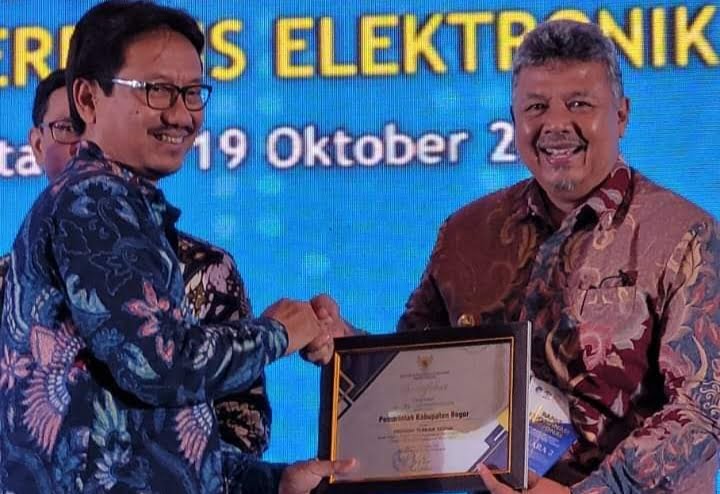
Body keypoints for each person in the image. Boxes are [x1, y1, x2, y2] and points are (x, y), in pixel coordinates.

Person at [0, 2, 351, 493]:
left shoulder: (121, 202)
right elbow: (161, 365)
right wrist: (277, 333)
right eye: (157, 90)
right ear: (88, 99)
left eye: (191, 92)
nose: (181, 115)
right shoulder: (92, 200)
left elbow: (149, 438)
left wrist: (273, 482)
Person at [394, 19, 720, 493]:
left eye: (579, 104)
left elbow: (704, 408)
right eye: (537, 107)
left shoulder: (685, 236)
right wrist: (343, 352)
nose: (556, 125)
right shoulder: (465, 232)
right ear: (514, 119)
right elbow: (416, 368)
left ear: (622, 115)